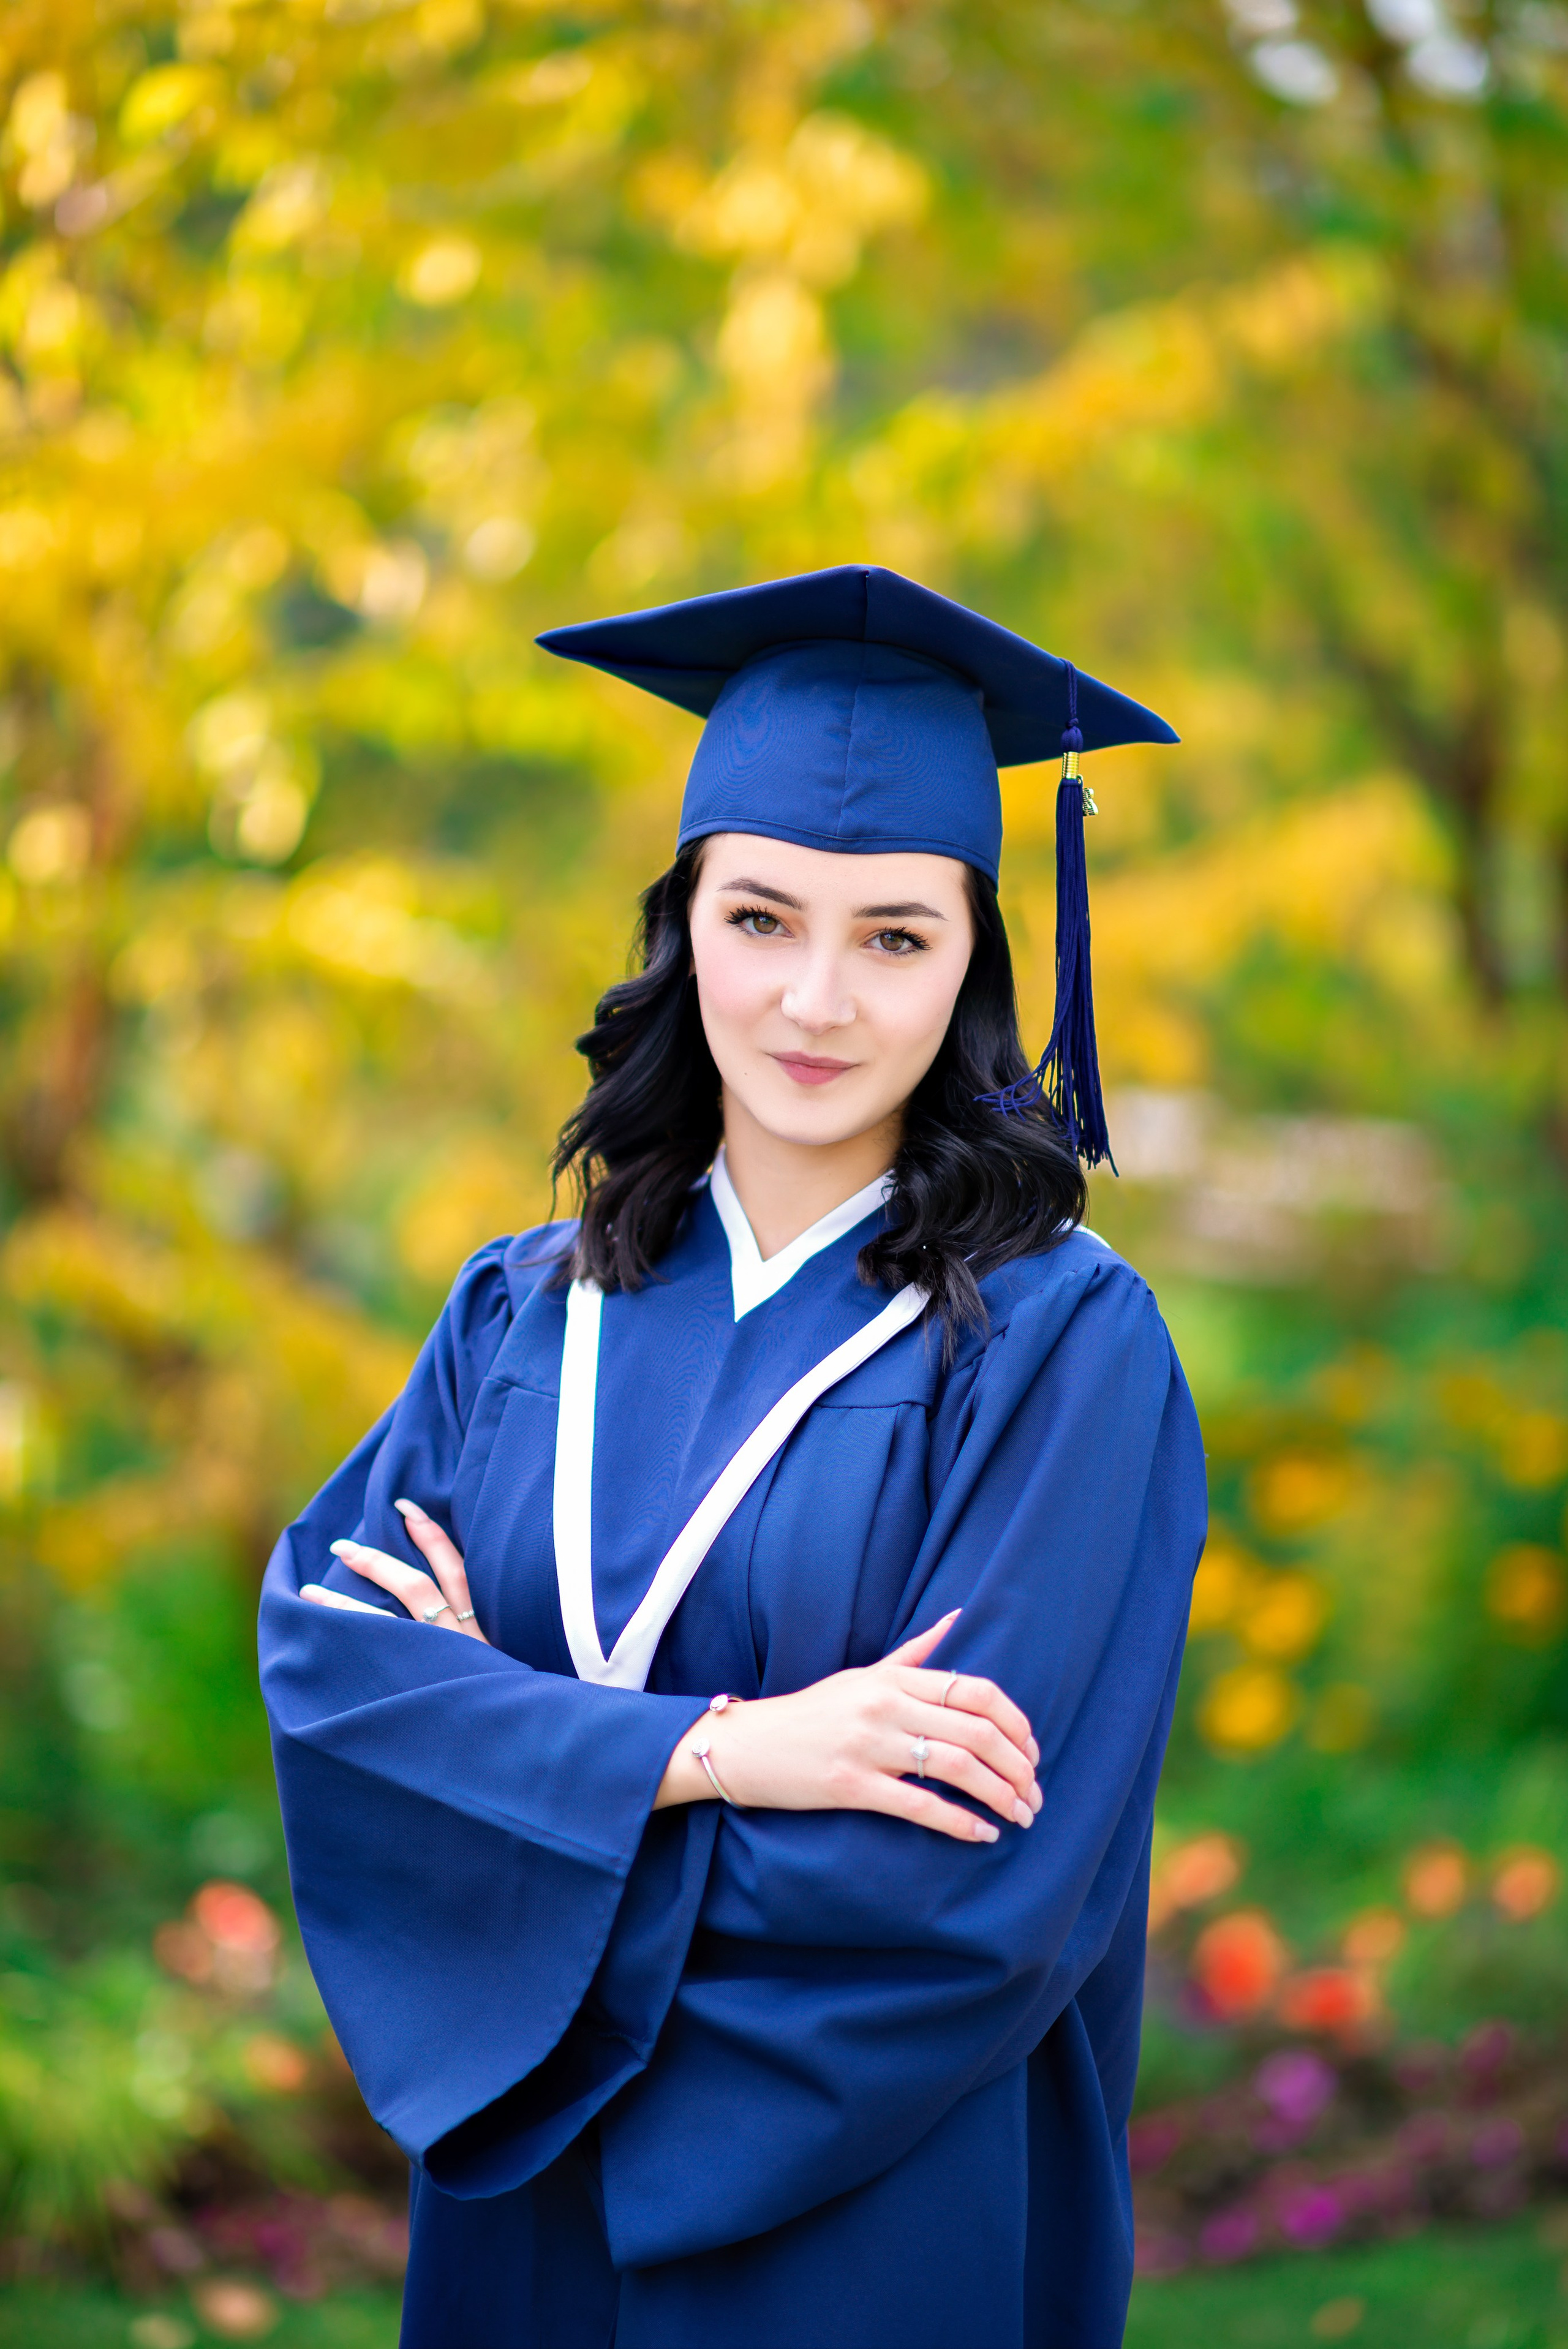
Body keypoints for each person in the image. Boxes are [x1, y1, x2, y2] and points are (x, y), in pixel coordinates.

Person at [259, 564, 1207, 2349]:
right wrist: (731, 1753)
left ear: (975, 964)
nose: (816, 1001)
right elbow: (339, 1684)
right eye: (762, 918)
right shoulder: (523, 1313)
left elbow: (968, 1885)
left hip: (869, 2211)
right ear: (682, 927)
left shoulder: (1065, 1346)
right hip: (513, 2230)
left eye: (895, 937)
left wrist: (519, 1776)